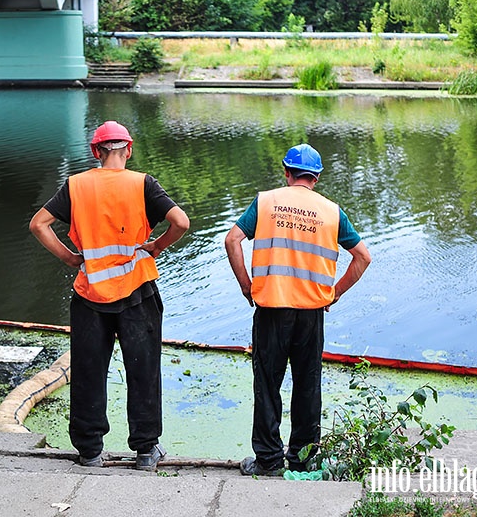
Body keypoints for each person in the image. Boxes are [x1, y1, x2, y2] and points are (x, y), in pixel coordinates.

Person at [29, 120, 189, 471]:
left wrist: (70, 257)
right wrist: (157, 246)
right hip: (138, 291)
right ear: (128, 150)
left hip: (90, 295)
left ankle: (90, 452)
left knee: (88, 371)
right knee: (143, 370)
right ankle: (146, 451)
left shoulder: (76, 186)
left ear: (95, 152)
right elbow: (181, 222)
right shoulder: (142, 183)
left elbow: (38, 224)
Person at [224, 143, 371, 476]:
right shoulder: (332, 211)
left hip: (271, 308)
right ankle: (303, 460)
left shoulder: (266, 202)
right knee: (307, 387)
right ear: (316, 178)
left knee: (266, 384)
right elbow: (363, 256)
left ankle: (268, 461)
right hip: (310, 314)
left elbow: (232, 240)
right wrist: (334, 293)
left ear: (286, 173)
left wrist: (246, 285)